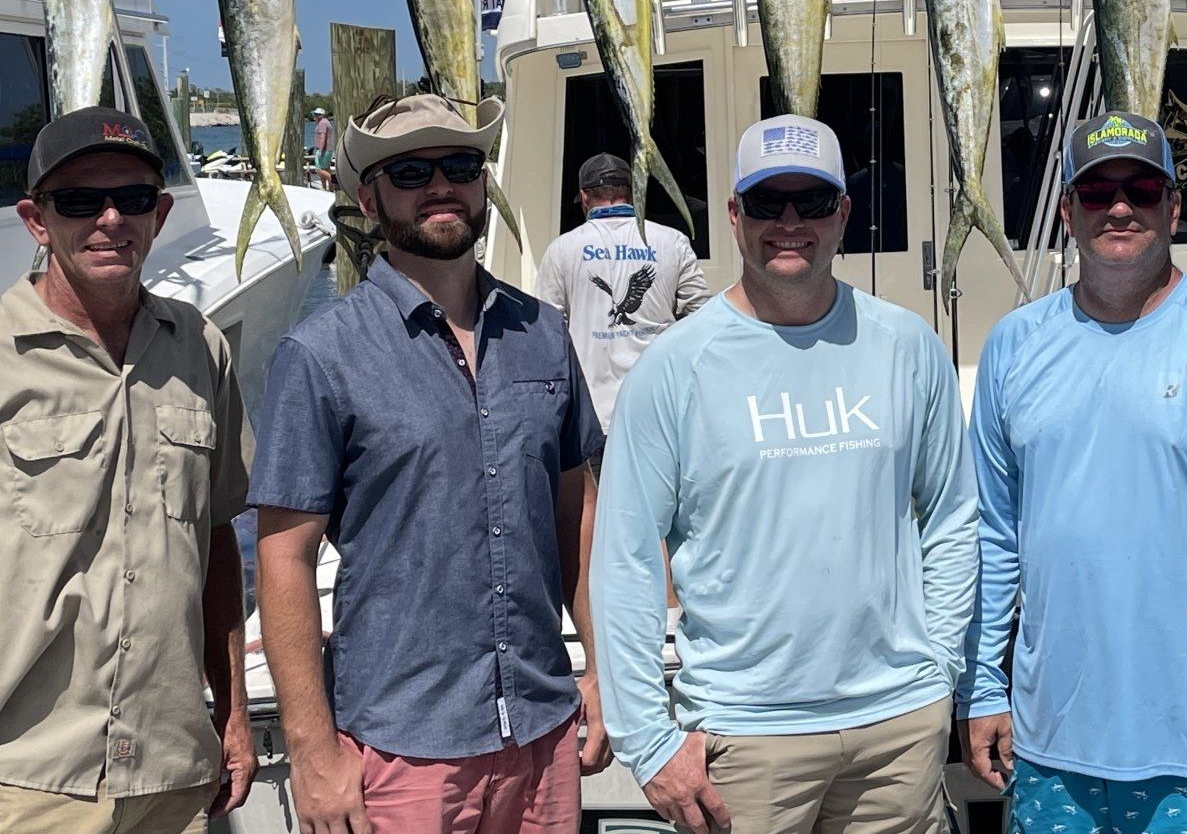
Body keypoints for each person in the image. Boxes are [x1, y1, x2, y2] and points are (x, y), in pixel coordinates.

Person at [593, 114, 977, 834]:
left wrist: (940, 669)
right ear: (735, 215)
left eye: (814, 201)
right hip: (744, 737)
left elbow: (953, 517)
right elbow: (625, 560)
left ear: (844, 214)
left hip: (899, 728)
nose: (791, 222)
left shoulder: (907, 345)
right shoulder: (673, 367)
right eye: (769, 202)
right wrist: (646, 740)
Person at [960, 111, 1187, 833]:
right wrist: (981, 687)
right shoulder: (1012, 345)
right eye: (1098, 193)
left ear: (1174, 208)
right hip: (1049, 749)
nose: (1121, 208)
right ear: (1068, 212)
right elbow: (992, 536)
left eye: (1143, 190)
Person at [251, 93, 608, 834]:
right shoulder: (320, 354)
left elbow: (576, 515)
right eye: (410, 171)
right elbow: (285, 557)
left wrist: (606, 671)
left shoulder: (544, 332)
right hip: (401, 747)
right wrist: (311, 751)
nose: (441, 185)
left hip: (542, 724)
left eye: (461, 165)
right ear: (369, 199)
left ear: (484, 183)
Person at [0, 108, 254, 832]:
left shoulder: (201, 347)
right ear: (37, 221)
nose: (110, 219)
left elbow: (217, 543)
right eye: (80, 200)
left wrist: (234, 712)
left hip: (171, 772)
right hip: (25, 776)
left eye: (133, 198)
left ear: (159, 213)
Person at [534, 152, 709, 432]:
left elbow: (545, 332)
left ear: (585, 197)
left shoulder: (561, 249)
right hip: (662, 411)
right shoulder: (673, 241)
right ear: (632, 192)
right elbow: (703, 316)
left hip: (593, 418)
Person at [312, 107, 334, 187]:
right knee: (326, 168)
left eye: (316, 115)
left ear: (321, 116)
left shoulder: (322, 123)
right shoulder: (326, 122)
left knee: (318, 169)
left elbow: (322, 136)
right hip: (328, 149)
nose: (314, 116)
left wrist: (320, 150)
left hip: (324, 150)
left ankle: (333, 180)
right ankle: (327, 187)